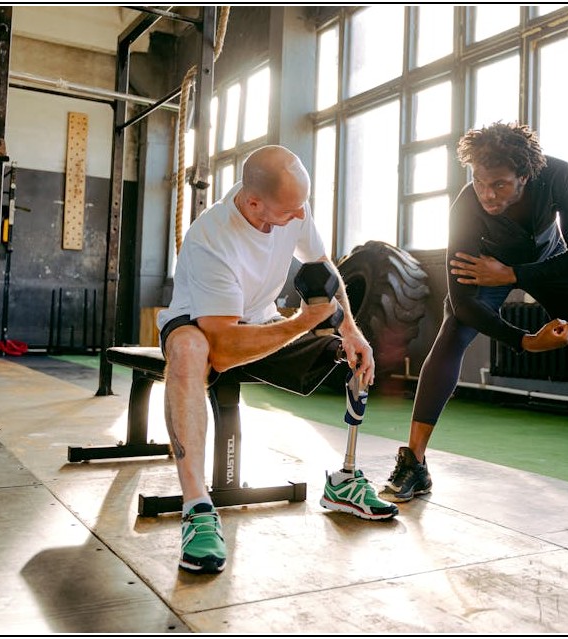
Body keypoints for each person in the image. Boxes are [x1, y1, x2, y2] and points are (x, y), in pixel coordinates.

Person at [380, 122, 568, 503]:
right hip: (486, 272)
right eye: (479, 182)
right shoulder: (466, 206)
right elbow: (463, 303)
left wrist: (513, 273)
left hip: (548, 263)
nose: (487, 195)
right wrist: (524, 341)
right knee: (451, 335)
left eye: (500, 185)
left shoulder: (560, 176)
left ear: (525, 176)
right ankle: (414, 461)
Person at [157, 145, 398, 575]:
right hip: (201, 326)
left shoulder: (291, 207)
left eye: (302, 207)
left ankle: (344, 479)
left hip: (262, 318)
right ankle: (196, 507)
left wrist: (352, 331)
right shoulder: (211, 239)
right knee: (190, 352)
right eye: (290, 211)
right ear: (253, 203)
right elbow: (226, 351)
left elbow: (322, 264)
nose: (299, 218)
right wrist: (305, 321)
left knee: (351, 351)